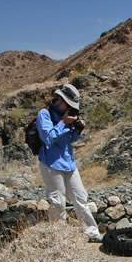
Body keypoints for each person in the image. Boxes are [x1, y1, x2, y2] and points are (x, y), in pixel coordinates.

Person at [36, 83, 102, 242]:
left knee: (81, 198)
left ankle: (92, 233)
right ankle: (59, 239)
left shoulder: (68, 116)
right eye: (68, 104)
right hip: (51, 164)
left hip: (69, 163)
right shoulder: (44, 114)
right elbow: (48, 138)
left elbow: (70, 140)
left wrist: (77, 130)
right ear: (59, 99)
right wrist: (63, 123)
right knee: (58, 202)